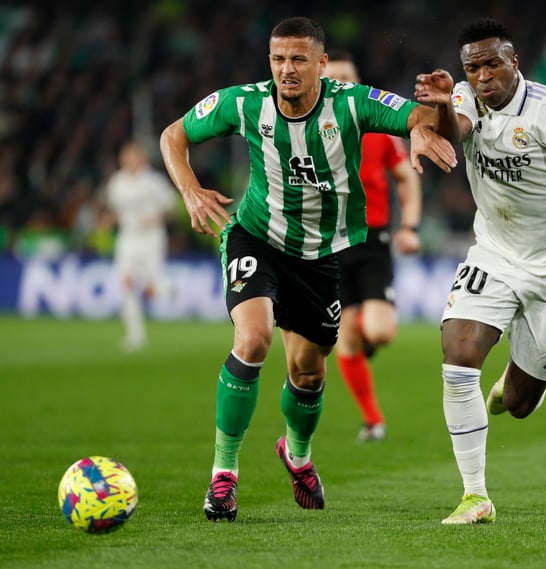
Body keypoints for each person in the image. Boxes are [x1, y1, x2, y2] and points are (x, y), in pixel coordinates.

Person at [159, 16, 457, 521]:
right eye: (278, 59)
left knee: (309, 371)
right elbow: (173, 135)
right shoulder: (243, 103)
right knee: (253, 340)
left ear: (322, 63)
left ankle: (297, 455)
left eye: (299, 59)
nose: (287, 69)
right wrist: (189, 190)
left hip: (321, 255)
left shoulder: (352, 103)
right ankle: (223, 474)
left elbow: (423, 119)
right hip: (257, 236)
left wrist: (438, 116)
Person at [415, 18, 546, 524]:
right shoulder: (464, 98)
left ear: (514, 61)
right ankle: (475, 495)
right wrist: (441, 108)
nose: (482, 76)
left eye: (492, 64)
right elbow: (456, 134)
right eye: (473, 68)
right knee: (458, 355)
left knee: (520, 402)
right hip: (494, 254)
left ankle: (511, 382)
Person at [324, 52, 423, 442]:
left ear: (359, 83)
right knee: (344, 336)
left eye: (347, 79)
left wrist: (410, 226)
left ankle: (364, 329)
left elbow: (406, 178)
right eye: (333, 80)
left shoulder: (378, 129)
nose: (341, 86)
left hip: (371, 240)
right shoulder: (305, 130)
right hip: (327, 244)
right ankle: (372, 420)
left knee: (379, 332)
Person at [105, 140, 175, 352]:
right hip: (128, 238)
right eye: (125, 156)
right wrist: (108, 221)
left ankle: (170, 289)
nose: (128, 159)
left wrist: (158, 218)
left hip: (151, 238)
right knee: (126, 283)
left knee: (151, 288)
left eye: (132, 155)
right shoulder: (117, 182)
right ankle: (135, 335)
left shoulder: (155, 182)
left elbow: (171, 209)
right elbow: (115, 210)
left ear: (142, 158)